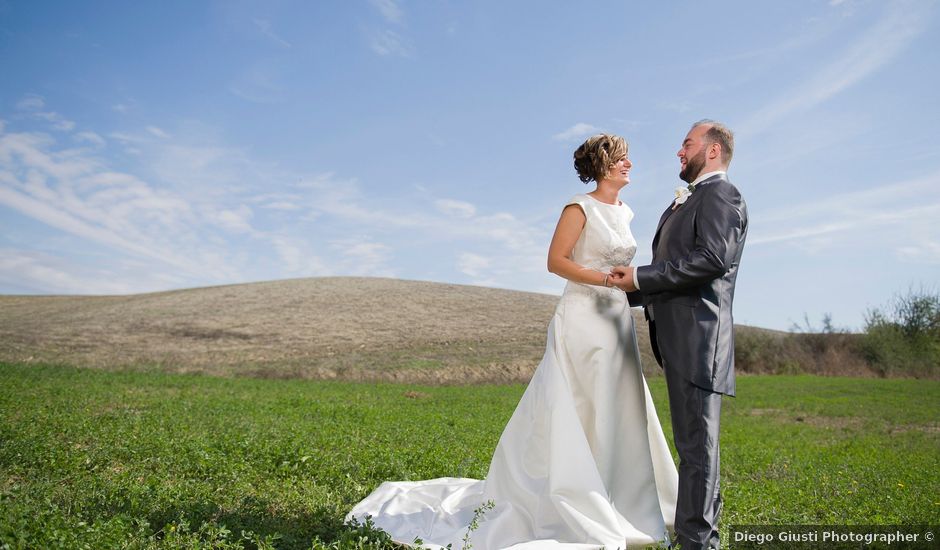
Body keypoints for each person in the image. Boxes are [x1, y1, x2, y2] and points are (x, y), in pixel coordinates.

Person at [347, 134, 678, 549]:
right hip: (582, 317)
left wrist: (624, 285)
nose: (629, 164)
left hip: (615, 319)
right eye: (621, 158)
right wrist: (606, 279)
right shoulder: (579, 207)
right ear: (602, 165)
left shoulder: (625, 211)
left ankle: (621, 498)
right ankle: (574, 496)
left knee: (617, 404)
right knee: (579, 402)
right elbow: (555, 261)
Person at [610, 120, 748, 550]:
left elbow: (711, 260)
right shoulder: (690, 201)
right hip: (679, 339)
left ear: (711, 151)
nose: (678, 152)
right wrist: (619, 293)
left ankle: (697, 542)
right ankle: (701, 536)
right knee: (695, 446)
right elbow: (676, 270)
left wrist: (639, 278)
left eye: (686, 144)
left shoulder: (722, 195)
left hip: (699, 339)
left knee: (698, 449)